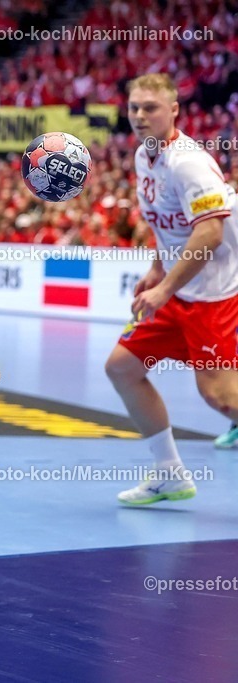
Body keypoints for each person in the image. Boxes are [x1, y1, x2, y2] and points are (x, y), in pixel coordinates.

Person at [106, 73, 238, 503]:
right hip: (178, 289)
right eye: (134, 108)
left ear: (174, 110)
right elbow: (169, 225)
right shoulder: (146, 156)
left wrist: (162, 291)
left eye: (151, 108)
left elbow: (209, 235)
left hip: (213, 296)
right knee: (122, 367)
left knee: (220, 397)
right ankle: (170, 474)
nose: (140, 116)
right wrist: (156, 267)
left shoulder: (189, 163)